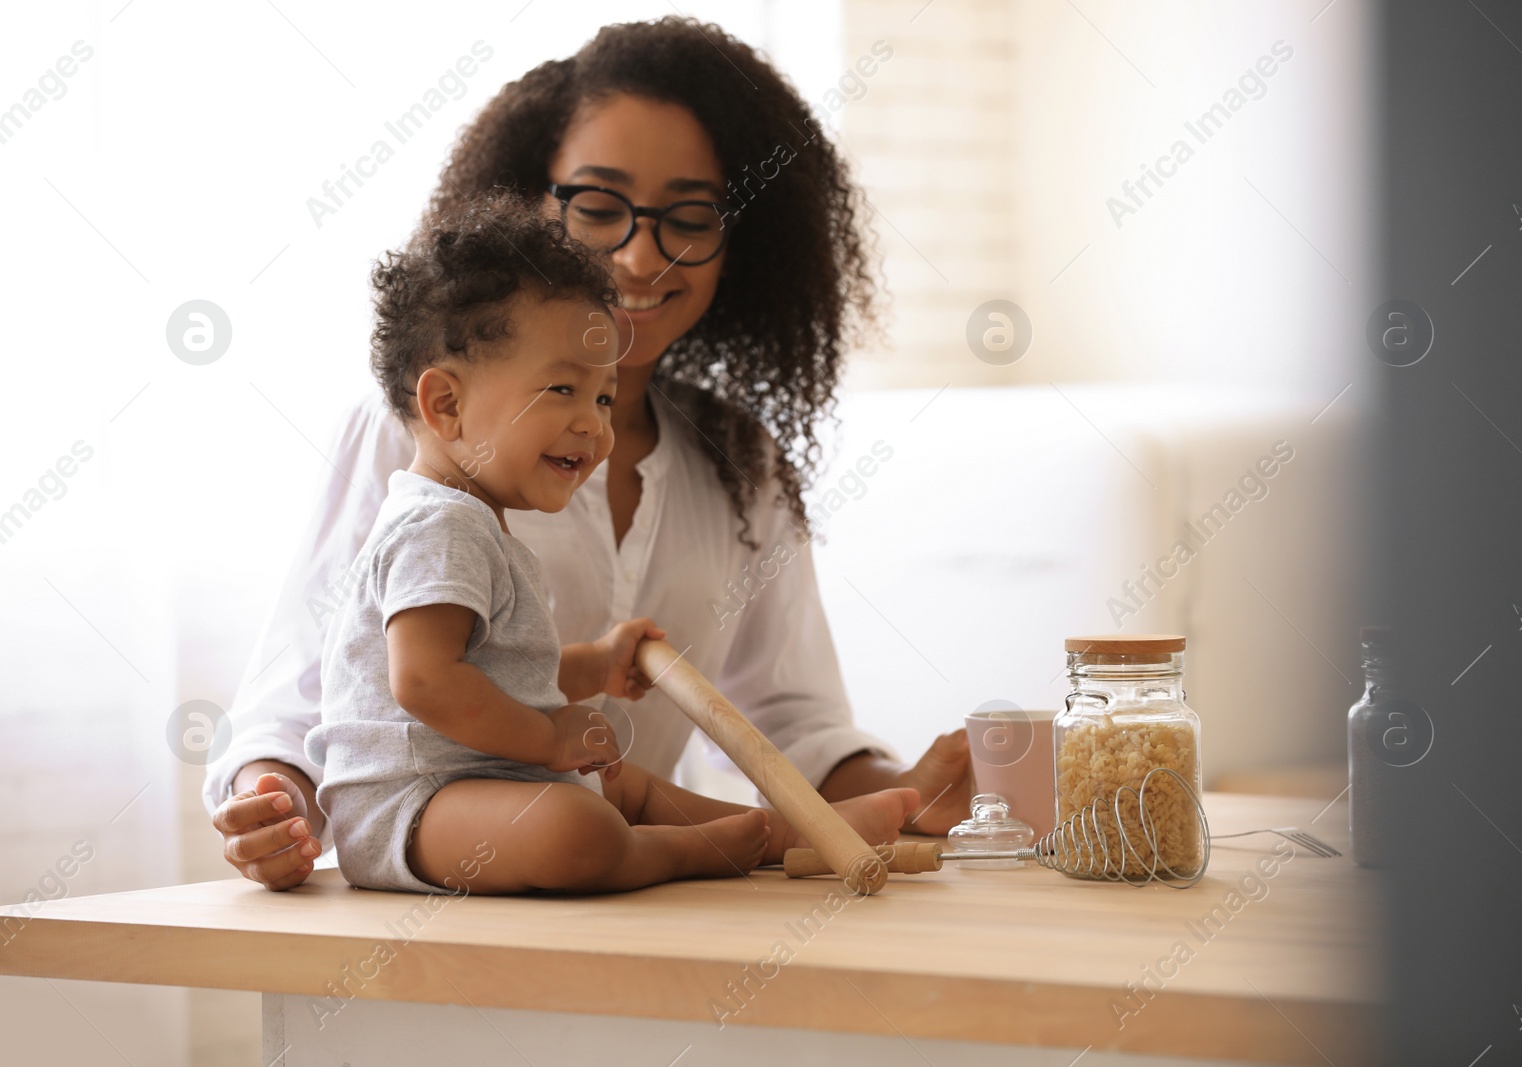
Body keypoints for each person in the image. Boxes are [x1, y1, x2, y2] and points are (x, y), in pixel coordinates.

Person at [204, 17, 972, 891]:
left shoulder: (742, 461)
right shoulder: (413, 434)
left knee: (623, 793)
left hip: (643, 915)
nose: (642, 255)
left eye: (690, 217)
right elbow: (305, 693)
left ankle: (781, 833)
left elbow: (796, 722)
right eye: (599, 207)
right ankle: (758, 838)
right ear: (524, 207)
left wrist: (917, 794)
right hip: (465, 877)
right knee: (592, 808)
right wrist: (270, 804)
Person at [309, 195, 916, 894]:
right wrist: (549, 740)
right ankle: (684, 851)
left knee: (624, 785)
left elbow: (499, 673)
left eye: (603, 397)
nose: (594, 426)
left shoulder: (478, 523)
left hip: (480, 783)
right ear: (445, 404)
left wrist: (595, 666)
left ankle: (788, 829)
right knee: (580, 823)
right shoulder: (438, 527)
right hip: (410, 807)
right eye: (563, 389)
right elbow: (423, 680)